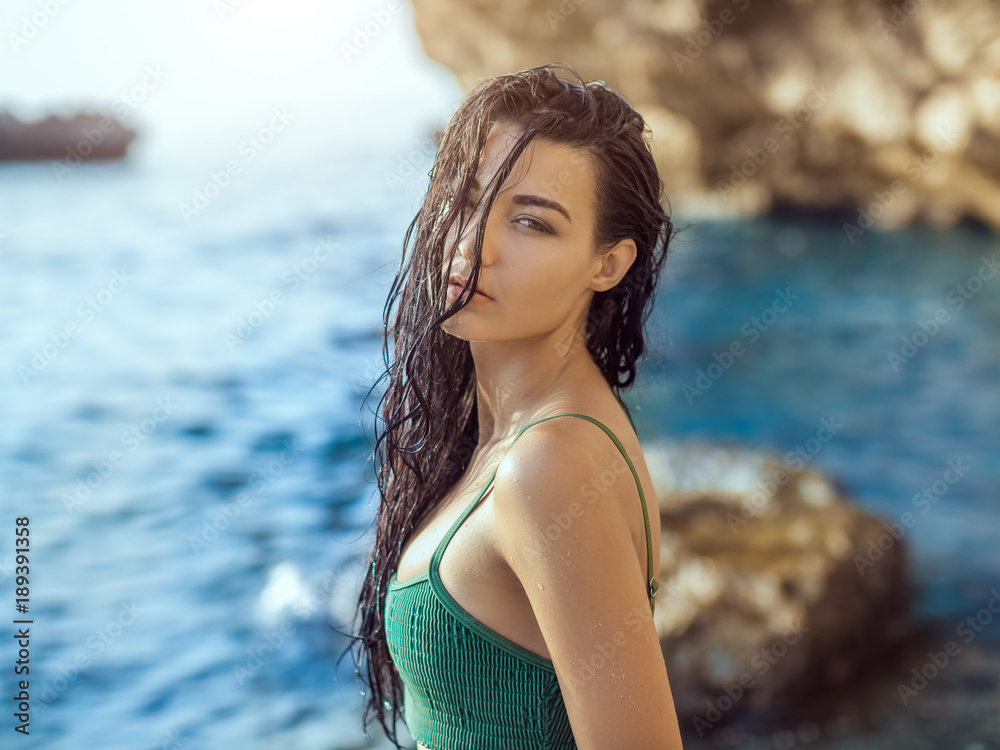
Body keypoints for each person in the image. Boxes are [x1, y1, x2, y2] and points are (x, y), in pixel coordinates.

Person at [346, 62, 685, 749]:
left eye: (531, 222)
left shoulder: (549, 469)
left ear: (608, 264)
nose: (474, 246)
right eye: (467, 200)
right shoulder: (515, 432)